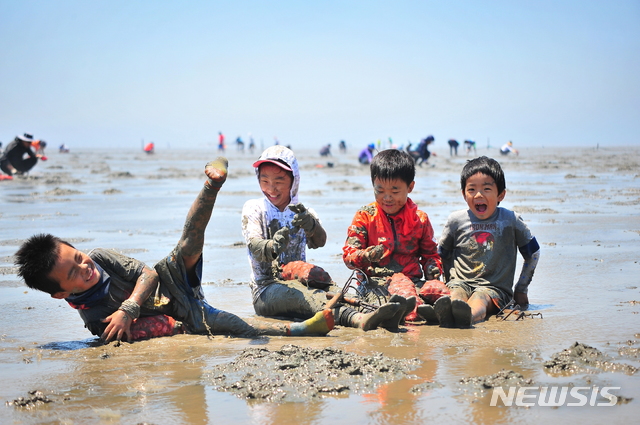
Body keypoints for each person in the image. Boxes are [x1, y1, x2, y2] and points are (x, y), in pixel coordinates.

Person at [15, 158, 334, 343]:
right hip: (182, 312)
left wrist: (129, 308)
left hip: (171, 281)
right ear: (61, 293)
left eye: (78, 258)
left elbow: (148, 273)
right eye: (73, 274)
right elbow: (150, 330)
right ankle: (300, 329)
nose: (85, 267)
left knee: (189, 242)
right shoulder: (95, 317)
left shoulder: (99, 257)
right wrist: (168, 327)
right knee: (234, 325)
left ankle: (212, 185)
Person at [241, 146, 401, 331]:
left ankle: (377, 312)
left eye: (279, 180)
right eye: (265, 180)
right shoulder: (255, 208)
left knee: (332, 289)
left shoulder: (303, 211)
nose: (271, 188)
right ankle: (357, 319)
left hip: (300, 278)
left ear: (294, 181)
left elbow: (320, 241)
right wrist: (271, 246)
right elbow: (254, 245)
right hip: (267, 289)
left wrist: (312, 226)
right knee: (306, 297)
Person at [436, 156, 540, 328]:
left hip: (495, 289)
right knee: (455, 293)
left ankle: (467, 317)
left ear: (501, 194)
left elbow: (533, 253)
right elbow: (442, 255)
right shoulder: (456, 220)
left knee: (480, 297)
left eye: (486, 189)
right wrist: (444, 281)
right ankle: (446, 312)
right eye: (471, 189)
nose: (478, 195)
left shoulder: (511, 220)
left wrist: (521, 288)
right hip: (460, 282)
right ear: (463, 194)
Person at [343, 149, 443, 327]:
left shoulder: (420, 219)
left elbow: (430, 255)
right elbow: (349, 257)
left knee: (437, 290)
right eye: (380, 190)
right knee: (399, 295)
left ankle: (438, 310)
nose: (387, 198)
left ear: (410, 187)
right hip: (374, 283)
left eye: (395, 191)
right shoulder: (365, 216)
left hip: (414, 280)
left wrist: (433, 270)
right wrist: (366, 256)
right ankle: (411, 314)